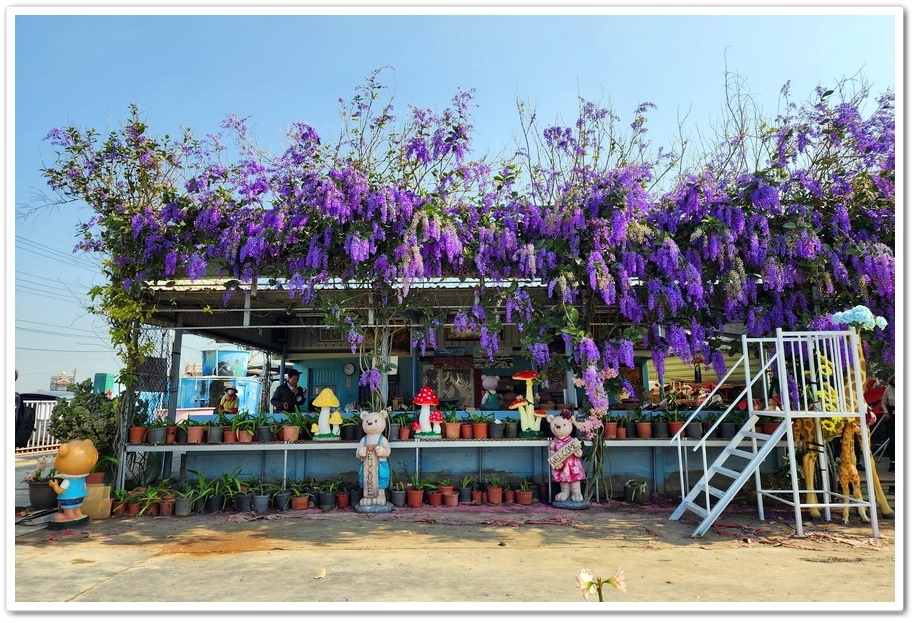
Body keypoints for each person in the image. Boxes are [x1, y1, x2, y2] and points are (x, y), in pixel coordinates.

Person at [880, 376, 895, 472]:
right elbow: (883, 402)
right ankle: (893, 462)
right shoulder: (888, 389)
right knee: (893, 440)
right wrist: (886, 412)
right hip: (893, 415)